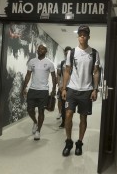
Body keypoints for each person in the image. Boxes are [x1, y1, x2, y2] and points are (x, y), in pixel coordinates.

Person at [61, 25, 100, 156]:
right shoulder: (71, 52)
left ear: (89, 36)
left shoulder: (94, 53)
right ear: (78, 36)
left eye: (85, 34)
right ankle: (68, 141)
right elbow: (67, 71)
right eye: (80, 34)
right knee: (68, 116)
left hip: (87, 90)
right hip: (72, 89)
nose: (82, 36)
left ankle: (79, 143)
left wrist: (95, 90)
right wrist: (64, 88)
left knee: (83, 118)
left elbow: (95, 72)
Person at [21, 44, 56, 140]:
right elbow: (28, 75)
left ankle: (38, 131)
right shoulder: (32, 62)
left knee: (41, 111)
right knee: (29, 109)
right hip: (32, 89)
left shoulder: (49, 63)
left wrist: (54, 89)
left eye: (42, 49)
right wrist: (23, 88)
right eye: (39, 48)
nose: (40, 50)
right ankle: (35, 122)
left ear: (46, 51)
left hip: (43, 91)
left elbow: (53, 77)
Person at [56, 46, 72, 128]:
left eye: (69, 53)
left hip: (72, 87)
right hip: (63, 87)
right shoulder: (61, 63)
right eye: (66, 53)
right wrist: (59, 85)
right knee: (63, 106)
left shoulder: (74, 63)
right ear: (64, 53)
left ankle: (68, 121)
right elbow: (58, 75)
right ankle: (63, 121)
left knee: (70, 106)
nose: (68, 55)